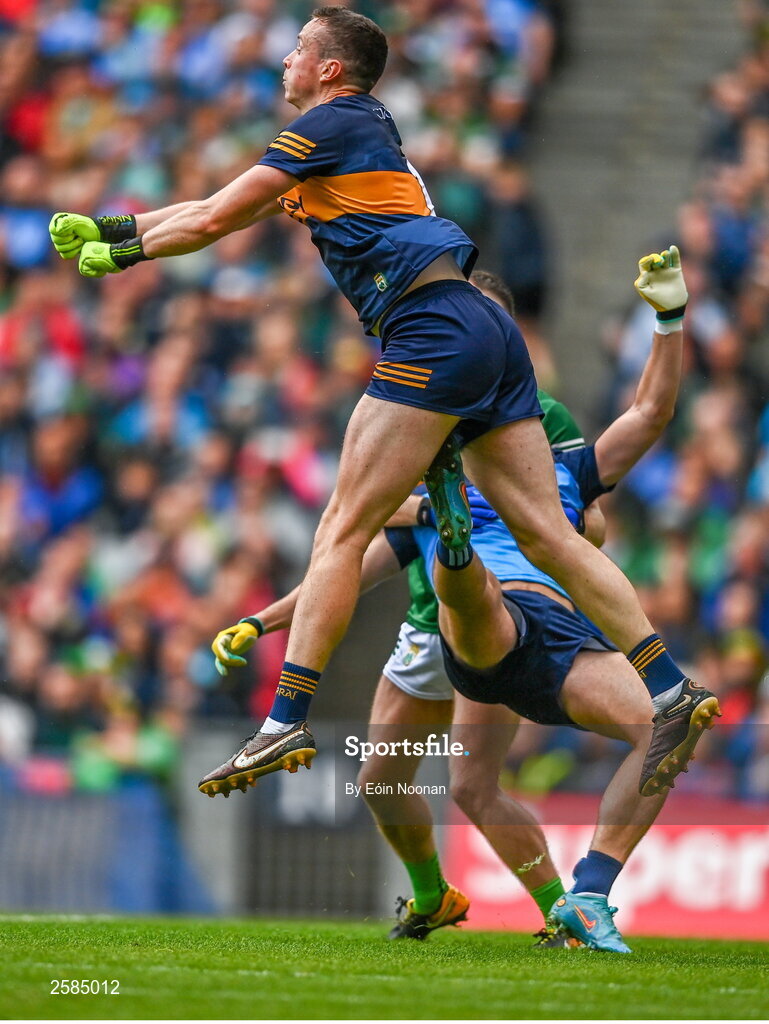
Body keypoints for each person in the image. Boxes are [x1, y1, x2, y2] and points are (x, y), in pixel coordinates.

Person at [49, 7, 715, 799]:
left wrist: (121, 253)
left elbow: (215, 218)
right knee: (548, 533)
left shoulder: (332, 122)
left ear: (331, 69)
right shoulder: (343, 147)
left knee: (343, 526)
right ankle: (670, 688)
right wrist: (115, 225)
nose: (285, 59)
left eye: (299, 49)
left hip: (429, 329)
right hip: (482, 327)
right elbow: (211, 208)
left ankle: (284, 718)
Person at [211, 252, 720, 952]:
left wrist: (668, 318)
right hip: (452, 627)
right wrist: (263, 620)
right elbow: (353, 564)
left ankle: (583, 899)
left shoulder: (560, 455)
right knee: (388, 770)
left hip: (552, 632)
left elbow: (649, 412)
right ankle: (453, 547)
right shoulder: (410, 422)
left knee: (658, 731)